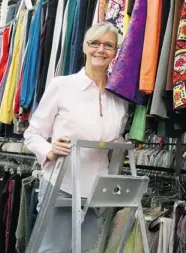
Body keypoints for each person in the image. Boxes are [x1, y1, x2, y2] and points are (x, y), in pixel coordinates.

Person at [23, 22, 128, 253]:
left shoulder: (118, 97)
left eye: (108, 45)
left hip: (97, 192)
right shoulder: (62, 85)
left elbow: (114, 141)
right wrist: (49, 149)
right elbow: (31, 134)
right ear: (84, 47)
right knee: (54, 250)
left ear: (115, 51)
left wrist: (124, 148)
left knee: (87, 250)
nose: (101, 50)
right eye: (94, 43)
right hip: (62, 184)